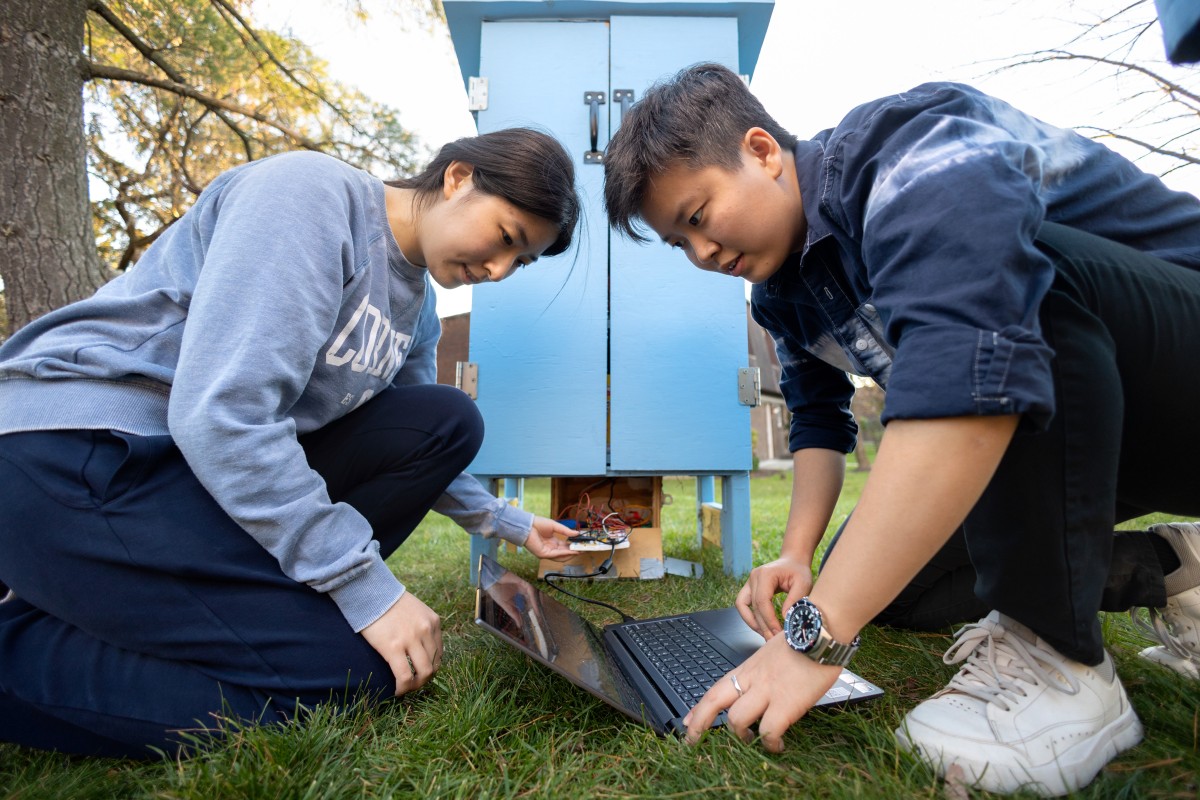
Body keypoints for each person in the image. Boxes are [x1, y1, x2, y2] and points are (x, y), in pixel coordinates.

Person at [603, 63, 1200, 796]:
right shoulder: (781, 297)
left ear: (761, 150)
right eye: (678, 244)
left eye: (697, 217)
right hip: (1080, 427)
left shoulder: (904, 147)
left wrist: (814, 640)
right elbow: (819, 418)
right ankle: (1173, 570)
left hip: (1176, 369)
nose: (701, 255)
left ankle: (1063, 663)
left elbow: (969, 359)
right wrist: (798, 556)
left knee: (1017, 286)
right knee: (892, 584)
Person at [0, 127, 582, 759]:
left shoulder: (416, 310)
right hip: (76, 450)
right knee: (349, 670)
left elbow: (417, 438)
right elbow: (223, 415)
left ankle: (87, 602)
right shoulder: (310, 195)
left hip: (184, 476)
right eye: (506, 238)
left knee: (447, 417)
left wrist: (511, 524)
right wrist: (365, 588)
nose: (498, 271)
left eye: (519, 263)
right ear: (458, 177)